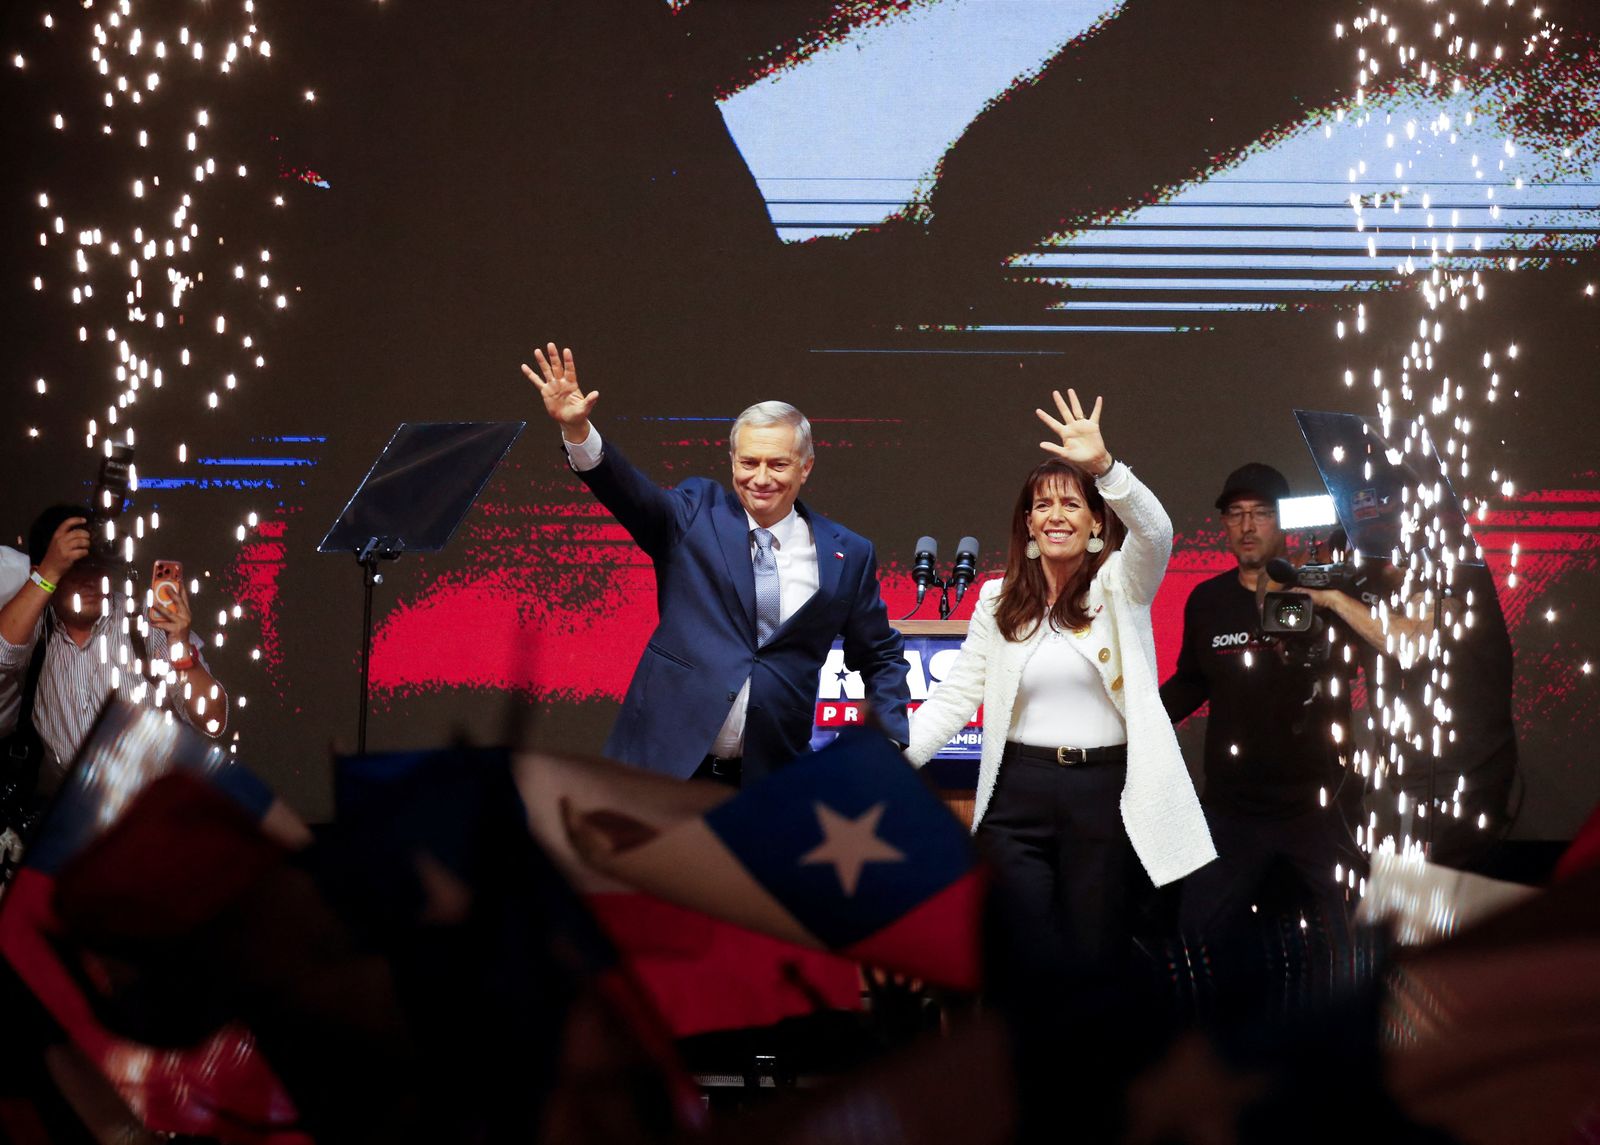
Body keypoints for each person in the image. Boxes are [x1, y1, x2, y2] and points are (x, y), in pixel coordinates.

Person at [906, 389, 1213, 970]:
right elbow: (955, 696)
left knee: (1092, 958)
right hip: (1018, 791)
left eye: (1071, 504)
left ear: (1097, 521)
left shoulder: (1122, 585)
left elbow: (1158, 533)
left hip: (1102, 795)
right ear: (1027, 524)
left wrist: (1104, 468)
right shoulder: (997, 599)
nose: (1055, 516)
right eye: (1042, 506)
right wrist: (892, 758)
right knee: (1014, 956)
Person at [522, 343, 909, 786]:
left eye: (778, 464)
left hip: (768, 779)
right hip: (662, 769)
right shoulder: (692, 516)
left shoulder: (848, 553)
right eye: (749, 462)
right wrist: (579, 431)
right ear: (732, 461)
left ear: (806, 468)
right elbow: (628, 493)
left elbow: (880, 654)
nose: (760, 479)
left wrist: (890, 739)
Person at [1159, 463, 1363, 949]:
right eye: (1236, 514)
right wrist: (1130, 719)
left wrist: (1324, 608)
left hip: (1317, 802)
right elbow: (1191, 683)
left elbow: (1357, 662)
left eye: (1261, 514)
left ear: (1283, 522)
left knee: (1359, 932)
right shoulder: (1207, 601)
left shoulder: (1321, 593)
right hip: (1234, 808)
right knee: (1195, 937)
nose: (1247, 527)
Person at [0, 506, 229, 803]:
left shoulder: (145, 626)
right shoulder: (35, 630)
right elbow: (3, 655)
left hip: (155, 811)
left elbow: (213, 720)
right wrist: (50, 570)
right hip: (78, 816)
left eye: (98, 567)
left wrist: (181, 646)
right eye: (75, 569)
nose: (91, 580)